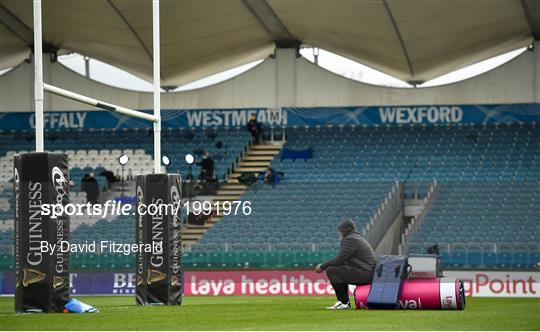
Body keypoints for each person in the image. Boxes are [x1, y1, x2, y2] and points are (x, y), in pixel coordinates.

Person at [315, 219, 376, 310]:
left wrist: (322, 266)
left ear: (344, 230)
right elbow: (343, 260)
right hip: (368, 272)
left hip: (365, 274)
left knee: (332, 270)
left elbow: (339, 259)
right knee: (338, 270)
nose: (338, 234)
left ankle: (343, 302)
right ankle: (345, 302)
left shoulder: (350, 239)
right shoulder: (356, 237)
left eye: (339, 231)